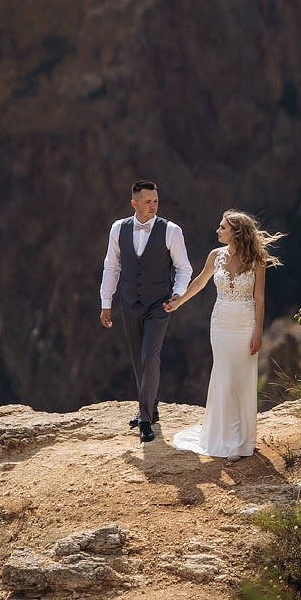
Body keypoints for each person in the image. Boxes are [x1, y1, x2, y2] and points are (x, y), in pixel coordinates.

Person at [166, 209, 282, 461]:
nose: (217, 231)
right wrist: (178, 303)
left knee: (241, 381)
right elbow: (199, 282)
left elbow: (259, 297)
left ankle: (242, 440)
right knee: (225, 379)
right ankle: (229, 442)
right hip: (220, 325)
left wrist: (259, 331)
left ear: (235, 232)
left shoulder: (256, 258)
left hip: (245, 325)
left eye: (222, 228)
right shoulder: (215, 256)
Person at [100, 180, 192, 444]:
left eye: (156, 201)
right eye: (148, 201)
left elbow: (184, 268)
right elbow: (111, 266)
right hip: (128, 302)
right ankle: (151, 407)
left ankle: (145, 419)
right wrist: (106, 302)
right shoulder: (118, 229)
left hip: (159, 304)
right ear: (134, 203)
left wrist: (178, 294)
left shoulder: (171, 231)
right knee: (138, 358)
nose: (153, 206)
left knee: (150, 357)